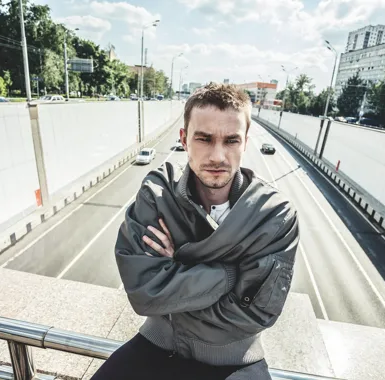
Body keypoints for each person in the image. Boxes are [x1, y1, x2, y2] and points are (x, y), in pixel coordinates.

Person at [91, 83, 299, 380]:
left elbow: (254, 314)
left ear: (245, 143)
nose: (217, 156)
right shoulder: (158, 193)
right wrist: (229, 275)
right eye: (204, 138)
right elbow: (144, 294)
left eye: (231, 141)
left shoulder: (275, 215)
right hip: (156, 345)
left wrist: (178, 263)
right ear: (184, 139)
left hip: (235, 360)